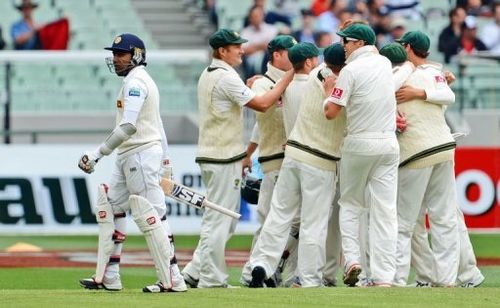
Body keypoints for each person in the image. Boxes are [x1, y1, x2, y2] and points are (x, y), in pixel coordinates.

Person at [181, 28, 294, 288]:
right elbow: (263, 104)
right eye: (236, 46)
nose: (242, 49)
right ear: (223, 51)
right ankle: (212, 279)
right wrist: (290, 75)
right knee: (219, 220)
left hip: (216, 155)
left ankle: (194, 271)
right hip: (222, 157)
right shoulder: (225, 76)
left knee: (223, 219)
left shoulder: (212, 73)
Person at [78, 33, 187, 293]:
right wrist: (167, 161)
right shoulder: (135, 80)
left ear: (136, 55)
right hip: (130, 154)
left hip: (140, 153)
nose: (116, 59)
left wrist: (97, 154)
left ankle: (172, 279)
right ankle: (109, 275)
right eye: (115, 54)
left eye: (121, 54)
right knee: (111, 205)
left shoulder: (136, 82)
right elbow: (157, 123)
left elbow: (128, 126)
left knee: (152, 214)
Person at [249, 42, 346, 288]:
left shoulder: (288, 85)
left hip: (292, 154)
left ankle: (260, 264)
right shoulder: (326, 77)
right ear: (311, 62)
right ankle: (310, 278)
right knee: (313, 222)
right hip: (318, 158)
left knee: (278, 216)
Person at [323, 23, 399, 287]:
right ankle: (384, 277)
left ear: (359, 44)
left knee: (351, 205)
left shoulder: (351, 70)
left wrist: (326, 94)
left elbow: (331, 112)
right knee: (385, 212)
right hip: (388, 144)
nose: (343, 46)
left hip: (359, 143)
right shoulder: (385, 65)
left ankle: (353, 260)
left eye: (347, 41)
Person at [392, 30, 460, 287]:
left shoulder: (401, 75)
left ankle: (396, 279)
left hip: (416, 152)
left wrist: (420, 94)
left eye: (402, 46)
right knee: (444, 218)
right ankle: (446, 279)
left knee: (404, 221)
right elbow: (448, 94)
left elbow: (449, 97)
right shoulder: (433, 72)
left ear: (408, 47)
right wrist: (426, 93)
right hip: (443, 147)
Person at [240, 35, 296, 286]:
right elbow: (263, 116)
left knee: (295, 223)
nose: (295, 59)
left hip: (294, 159)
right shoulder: (261, 83)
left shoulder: (292, 81)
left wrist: (248, 152)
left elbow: (258, 131)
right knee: (268, 220)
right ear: (277, 55)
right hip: (274, 160)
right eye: (290, 53)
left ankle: (273, 270)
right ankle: (251, 270)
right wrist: (249, 153)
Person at [241, 5, 279, 78]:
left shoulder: (272, 29)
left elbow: (273, 48)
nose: (256, 18)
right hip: (250, 64)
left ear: (263, 16)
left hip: (268, 61)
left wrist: (254, 47)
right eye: (254, 16)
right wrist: (262, 46)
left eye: (258, 15)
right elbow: (243, 50)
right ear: (250, 18)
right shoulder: (245, 32)